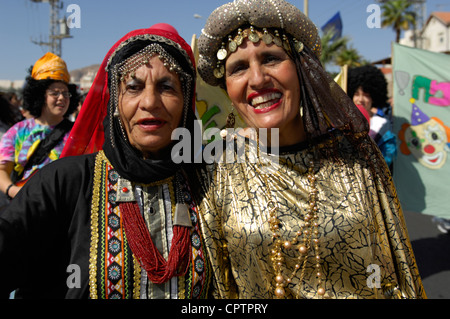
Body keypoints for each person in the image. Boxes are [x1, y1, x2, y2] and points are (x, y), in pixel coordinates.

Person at [196, 0, 425, 299]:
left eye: (271, 58)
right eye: (239, 67)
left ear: (302, 70)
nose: (258, 79)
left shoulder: (357, 155)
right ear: (226, 86)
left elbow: (399, 274)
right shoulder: (217, 170)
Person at [0, 24, 211, 299]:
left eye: (167, 87)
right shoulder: (65, 182)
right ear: (115, 103)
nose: (149, 102)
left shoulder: (209, 183)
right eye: (133, 87)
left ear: (186, 103)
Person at [0, 52, 80, 200]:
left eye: (65, 93)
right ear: (39, 95)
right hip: (26, 210)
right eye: (55, 93)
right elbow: (2, 170)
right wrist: (12, 191)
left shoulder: (78, 133)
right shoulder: (17, 132)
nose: (61, 98)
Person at [347, 65, 397, 171]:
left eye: (366, 95)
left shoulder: (382, 124)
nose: (360, 99)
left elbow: (387, 157)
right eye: (356, 94)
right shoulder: (342, 122)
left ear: (374, 97)